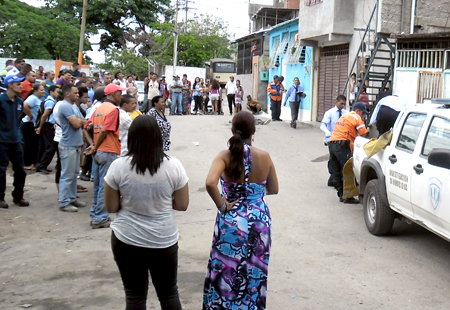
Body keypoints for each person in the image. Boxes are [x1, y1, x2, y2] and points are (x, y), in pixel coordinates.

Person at [104, 115, 189, 310]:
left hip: (127, 239)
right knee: (169, 294)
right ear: (158, 137)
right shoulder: (173, 166)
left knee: (134, 297)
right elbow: (182, 204)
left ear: (132, 137)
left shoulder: (118, 166)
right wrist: (163, 200)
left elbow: (111, 207)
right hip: (163, 239)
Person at [203, 111, 278, 309]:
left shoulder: (225, 156)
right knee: (254, 271)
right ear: (254, 131)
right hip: (259, 221)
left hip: (231, 220)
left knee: (227, 270)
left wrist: (222, 204)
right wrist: (253, 195)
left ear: (232, 130)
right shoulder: (264, 156)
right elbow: (274, 189)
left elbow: (211, 183)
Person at [85, 83, 126, 228]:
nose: (121, 96)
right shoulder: (113, 110)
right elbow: (105, 130)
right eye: (119, 93)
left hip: (98, 151)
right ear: (112, 94)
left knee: (97, 185)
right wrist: (95, 145)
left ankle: (95, 213)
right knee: (105, 186)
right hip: (108, 150)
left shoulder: (98, 109)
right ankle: (100, 218)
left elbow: (87, 127)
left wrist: (93, 145)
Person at [329, 102, 368, 204]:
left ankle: (341, 194)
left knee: (336, 169)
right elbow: (363, 133)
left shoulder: (344, 116)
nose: (363, 116)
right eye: (363, 113)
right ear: (357, 111)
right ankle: (348, 196)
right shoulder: (356, 117)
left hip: (332, 144)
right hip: (342, 145)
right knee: (347, 170)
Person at [0, 75, 30, 208]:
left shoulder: (19, 101)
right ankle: (0, 198)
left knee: (20, 170)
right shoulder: (1, 100)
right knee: (1, 170)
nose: (21, 86)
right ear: (10, 85)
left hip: (16, 140)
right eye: (18, 84)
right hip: (2, 140)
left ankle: (18, 196)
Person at [56, 84, 87, 212]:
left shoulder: (73, 107)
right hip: (68, 145)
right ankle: (64, 201)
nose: (78, 95)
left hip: (74, 145)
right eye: (75, 93)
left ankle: (71, 198)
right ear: (67, 93)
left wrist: (80, 121)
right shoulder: (64, 106)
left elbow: (83, 121)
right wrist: (79, 121)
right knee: (67, 174)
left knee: (73, 174)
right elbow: (76, 123)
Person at [320, 95, 348, 187]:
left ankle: (334, 178)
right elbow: (323, 124)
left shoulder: (346, 113)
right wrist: (327, 132)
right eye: (341, 104)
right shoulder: (330, 113)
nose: (342, 106)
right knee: (333, 159)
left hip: (342, 140)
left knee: (338, 159)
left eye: (344, 104)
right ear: (336, 102)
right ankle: (333, 177)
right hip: (331, 139)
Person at [35, 85, 60, 174]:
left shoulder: (49, 101)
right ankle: (42, 165)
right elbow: (45, 115)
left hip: (46, 125)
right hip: (47, 126)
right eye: (57, 91)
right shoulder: (51, 102)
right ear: (51, 92)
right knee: (51, 147)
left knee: (44, 146)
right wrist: (40, 127)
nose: (58, 93)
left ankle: (40, 164)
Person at [21, 84, 46, 170]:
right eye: (41, 90)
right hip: (29, 124)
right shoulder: (32, 98)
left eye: (44, 90)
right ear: (35, 91)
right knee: (29, 145)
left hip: (33, 124)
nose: (44, 91)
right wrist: (30, 115)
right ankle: (27, 163)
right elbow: (24, 105)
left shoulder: (38, 99)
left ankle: (32, 162)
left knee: (34, 145)